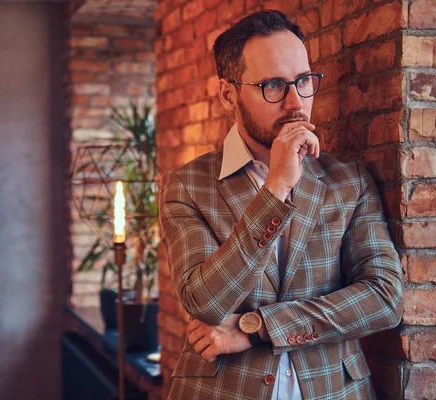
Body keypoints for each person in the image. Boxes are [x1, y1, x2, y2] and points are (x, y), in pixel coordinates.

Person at [159, 10, 403, 400]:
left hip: (333, 389)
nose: (296, 102)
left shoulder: (349, 180)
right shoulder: (187, 186)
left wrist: (256, 327)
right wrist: (274, 190)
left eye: (303, 80)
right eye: (273, 85)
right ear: (228, 94)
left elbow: (384, 298)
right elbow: (205, 302)